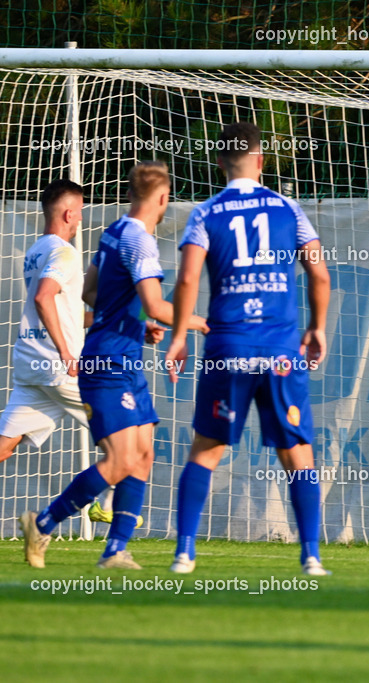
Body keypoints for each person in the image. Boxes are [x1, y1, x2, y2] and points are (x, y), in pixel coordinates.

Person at [19, 161, 207, 569]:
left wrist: (136, 326)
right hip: (106, 362)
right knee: (121, 459)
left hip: (125, 357)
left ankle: (115, 549)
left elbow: (89, 291)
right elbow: (155, 303)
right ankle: (45, 523)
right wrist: (199, 322)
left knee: (143, 456)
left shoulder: (113, 232)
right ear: (162, 198)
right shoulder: (139, 240)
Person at [165, 122, 331, 576]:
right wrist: (316, 328)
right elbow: (319, 274)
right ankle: (311, 556)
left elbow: (186, 279)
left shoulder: (205, 212)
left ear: (220, 163)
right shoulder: (288, 209)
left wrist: (179, 335)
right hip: (279, 349)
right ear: (261, 161)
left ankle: (184, 552)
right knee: (296, 452)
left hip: (228, 346)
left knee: (206, 450)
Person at [0, 180, 88, 464]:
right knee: (126, 434)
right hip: (58, 367)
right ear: (68, 214)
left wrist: (109, 319)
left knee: (3, 447)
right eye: (80, 211)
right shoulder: (65, 252)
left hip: (32, 366)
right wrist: (65, 351)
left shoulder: (36, 250)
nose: (81, 218)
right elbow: (43, 297)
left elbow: (64, 314)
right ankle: (111, 507)